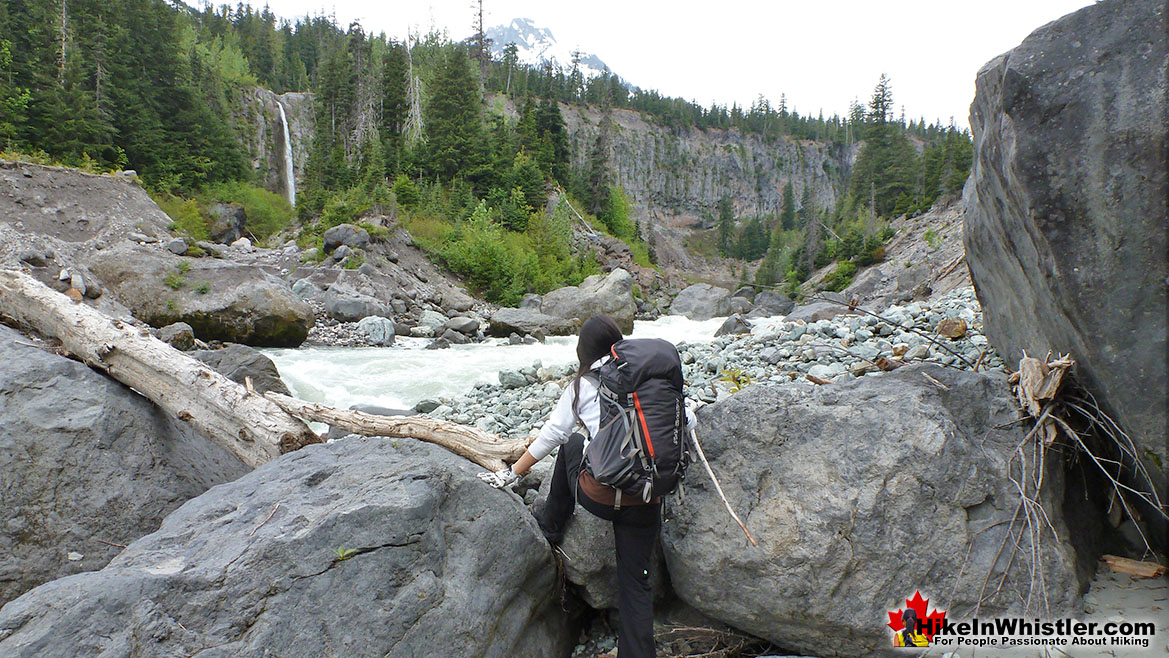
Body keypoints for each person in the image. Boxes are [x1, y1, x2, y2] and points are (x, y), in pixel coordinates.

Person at [479, 314, 696, 658]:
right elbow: (688, 421)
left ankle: (551, 524)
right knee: (635, 583)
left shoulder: (584, 385)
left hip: (601, 497)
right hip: (646, 497)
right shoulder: (653, 381)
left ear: (584, 350)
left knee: (571, 446)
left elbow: (553, 435)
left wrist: (513, 473)